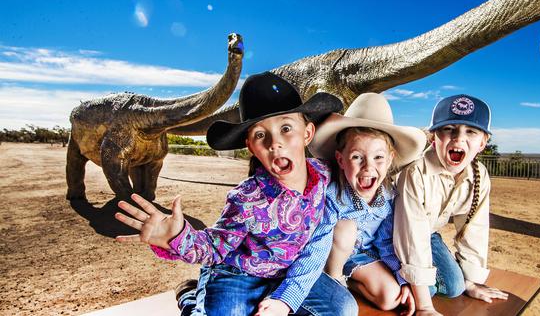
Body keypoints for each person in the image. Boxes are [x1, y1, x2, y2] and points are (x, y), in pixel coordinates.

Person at [115, 72, 357, 316]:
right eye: (260, 134)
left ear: (307, 133)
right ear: (251, 146)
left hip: (288, 270)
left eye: (286, 128)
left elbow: (361, 177)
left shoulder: (325, 175)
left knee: (343, 308)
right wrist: (175, 237)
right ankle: (191, 298)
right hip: (239, 274)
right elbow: (214, 247)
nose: (275, 143)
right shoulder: (246, 198)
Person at [308, 93, 427, 315]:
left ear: (390, 159)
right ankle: (333, 280)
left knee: (391, 298)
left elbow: (385, 241)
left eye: (378, 158)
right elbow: (320, 237)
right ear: (341, 159)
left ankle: (350, 279)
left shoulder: (388, 195)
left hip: (366, 255)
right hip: (332, 253)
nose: (368, 167)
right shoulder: (334, 193)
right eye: (356, 157)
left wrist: (402, 279)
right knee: (346, 228)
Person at [393, 94, 509, 315]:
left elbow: (474, 229)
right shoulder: (415, 171)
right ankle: (392, 278)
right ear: (433, 137)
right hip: (394, 234)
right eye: (449, 129)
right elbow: (411, 234)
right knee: (423, 290)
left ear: (483, 142)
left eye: (471, 132)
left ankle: (412, 282)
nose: (458, 139)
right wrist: (425, 306)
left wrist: (472, 281)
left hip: (428, 233)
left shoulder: (479, 176)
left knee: (456, 287)